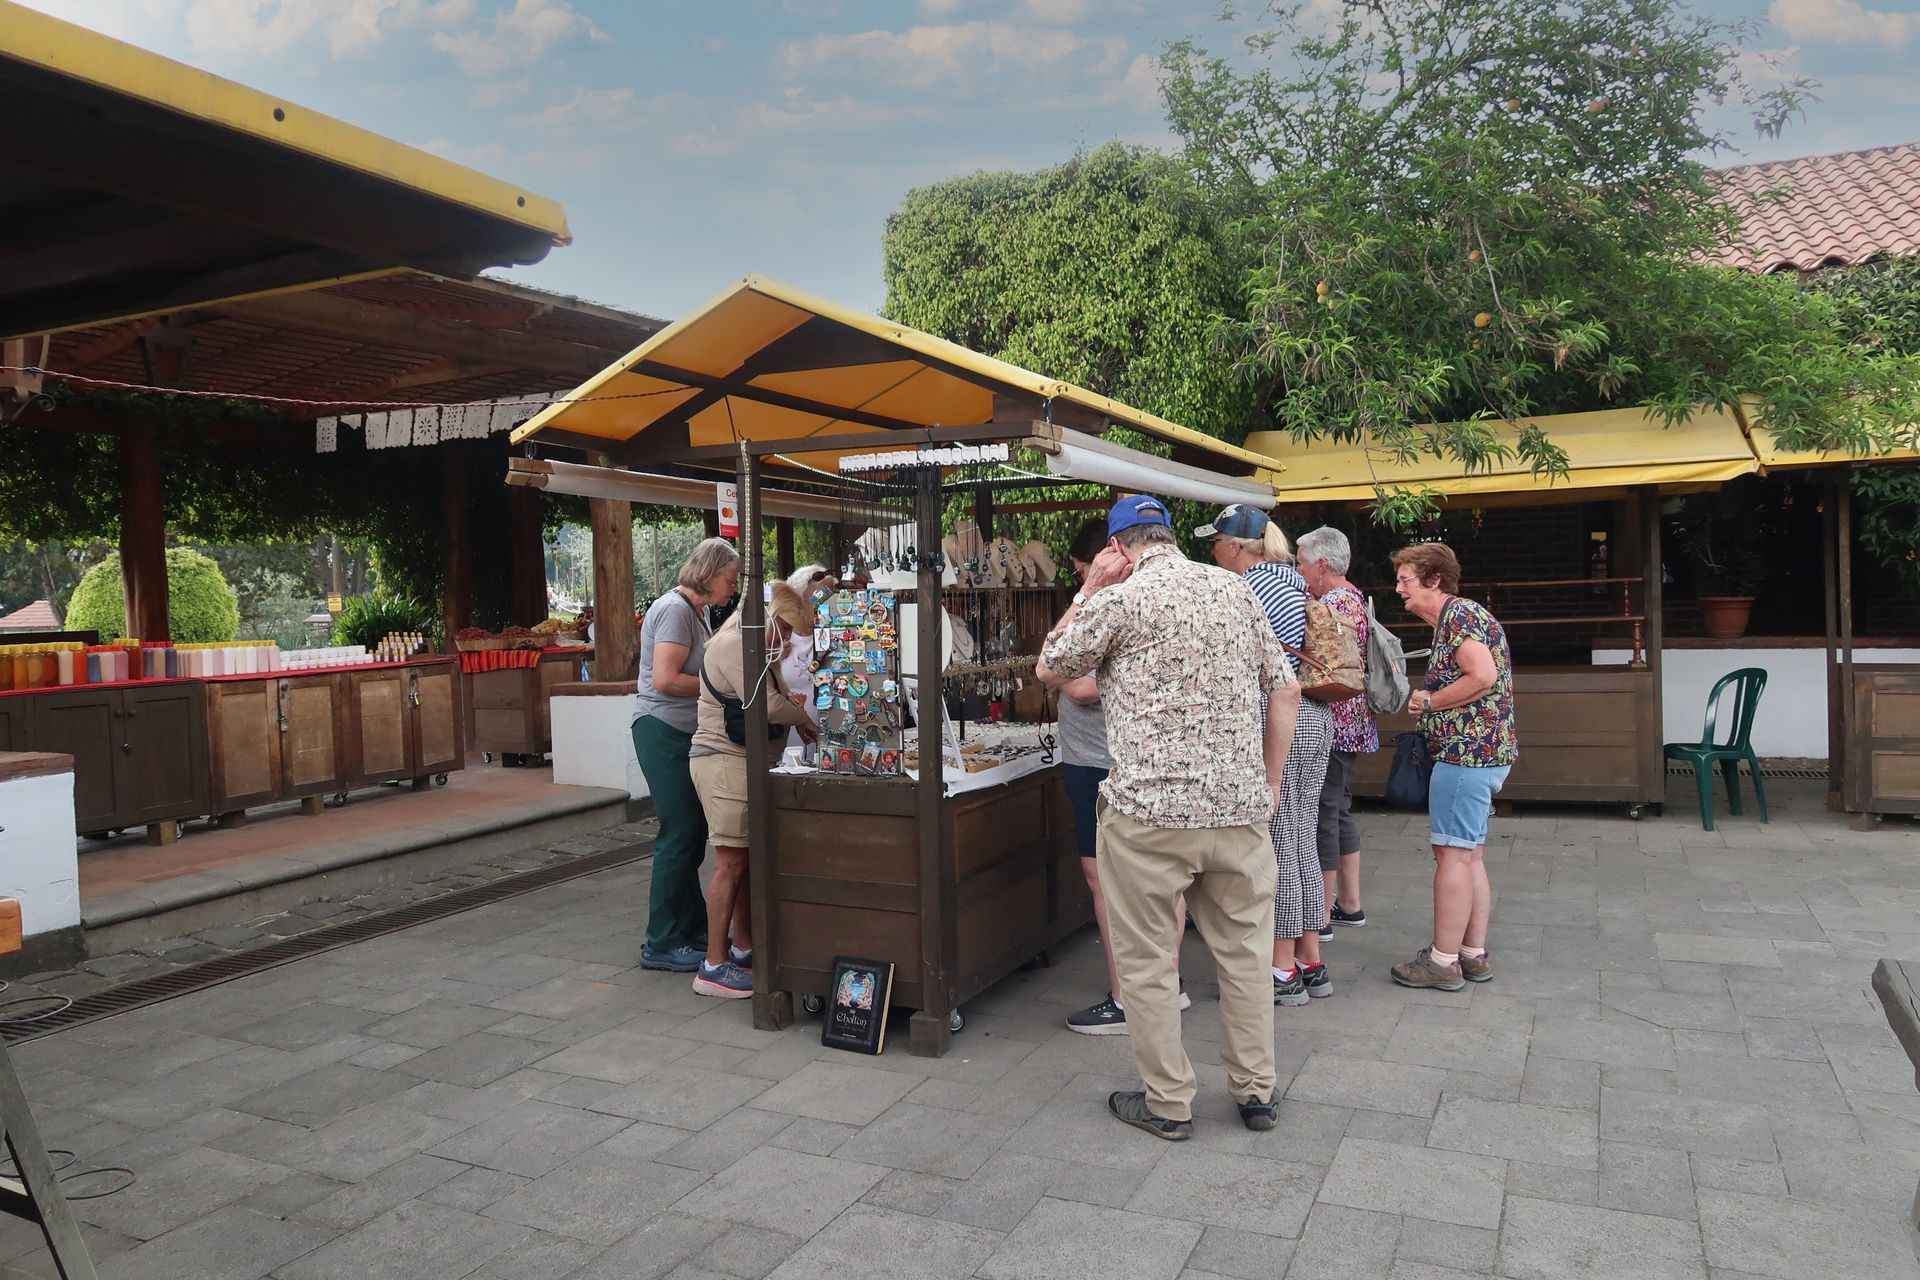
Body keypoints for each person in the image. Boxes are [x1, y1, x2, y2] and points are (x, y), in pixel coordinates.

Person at [1038, 495, 1300, 1141]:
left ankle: (1169, 1102)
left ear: (1117, 546)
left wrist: (1092, 588)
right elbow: (1286, 688)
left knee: (1148, 962)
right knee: (1246, 957)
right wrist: (1270, 784)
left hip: (1148, 814)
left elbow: (1050, 667)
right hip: (1237, 811)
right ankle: (1256, 1092)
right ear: (1170, 535)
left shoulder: (1120, 599)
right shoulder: (1236, 591)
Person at [1039, 521, 1191, 1035]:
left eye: (1084, 568)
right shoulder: (1160, 601)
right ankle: (1166, 986)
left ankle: (1128, 998)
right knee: (1161, 880)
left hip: (1101, 761)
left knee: (1107, 880)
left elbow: (1063, 675)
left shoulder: (1112, 604)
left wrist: (1086, 594)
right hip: (1131, 758)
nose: (1084, 576)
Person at [1199, 504, 1335, 1006]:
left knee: (1274, 842)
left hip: (1274, 715)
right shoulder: (1295, 581)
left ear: (1235, 546)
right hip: (1314, 715)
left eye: (1216, 543)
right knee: (1301, 836)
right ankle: (1309, 959)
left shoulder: (1245, 588)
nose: (1213, 552)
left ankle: (1279, 968)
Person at [1388, 542, 1517, 991]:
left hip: (1465, 756)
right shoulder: (1460, 617)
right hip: (1483, 755)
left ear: (1434, 579)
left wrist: (1430, 702)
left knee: (1453, 856)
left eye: (1405, 580)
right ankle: (1472, 954)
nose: (1398, 588)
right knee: (1469, 853)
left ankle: (1442, 962)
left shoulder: (1458, 616)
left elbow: (1483, 675)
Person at [689, 582, 814, 997]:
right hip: (725, 763)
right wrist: (799, 715)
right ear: (769, 618)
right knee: (730, 863)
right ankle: (713, 965)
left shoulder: (759, 648)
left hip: (744, 763)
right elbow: (767, 703)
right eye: (785, 628)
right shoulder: (734, 645)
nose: (788, 638)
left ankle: (743, 948)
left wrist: (792, 709)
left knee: (744, 860)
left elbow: (779, 698)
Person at [633, 537, 740, 972]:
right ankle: (661, 940)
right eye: (730, 578)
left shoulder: (696, 612)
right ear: (709, 573)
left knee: (692, 832)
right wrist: (720, 687)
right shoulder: (675, 610)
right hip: (663, 731)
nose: (733, 587)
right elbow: (665, 679)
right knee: (679, 834)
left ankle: (692, 927)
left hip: (682, 733)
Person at [1295, 526, 1378, 934]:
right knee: (1339, 809)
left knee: (1323, 813)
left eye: (1301, 564)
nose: (1298, 572)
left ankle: (1322, 914)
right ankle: (1350, 903)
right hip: (1355, 722)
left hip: (1334, 721)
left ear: (1321, 564)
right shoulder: (1355, 597)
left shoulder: (1330, 605)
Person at [779, 565, 836, 754]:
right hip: (789, 748)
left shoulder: (837, 637)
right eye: (819, 599)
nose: (826, 606)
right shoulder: (778, 640)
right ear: (798, 601)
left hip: (834, 745)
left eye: (831, 597)